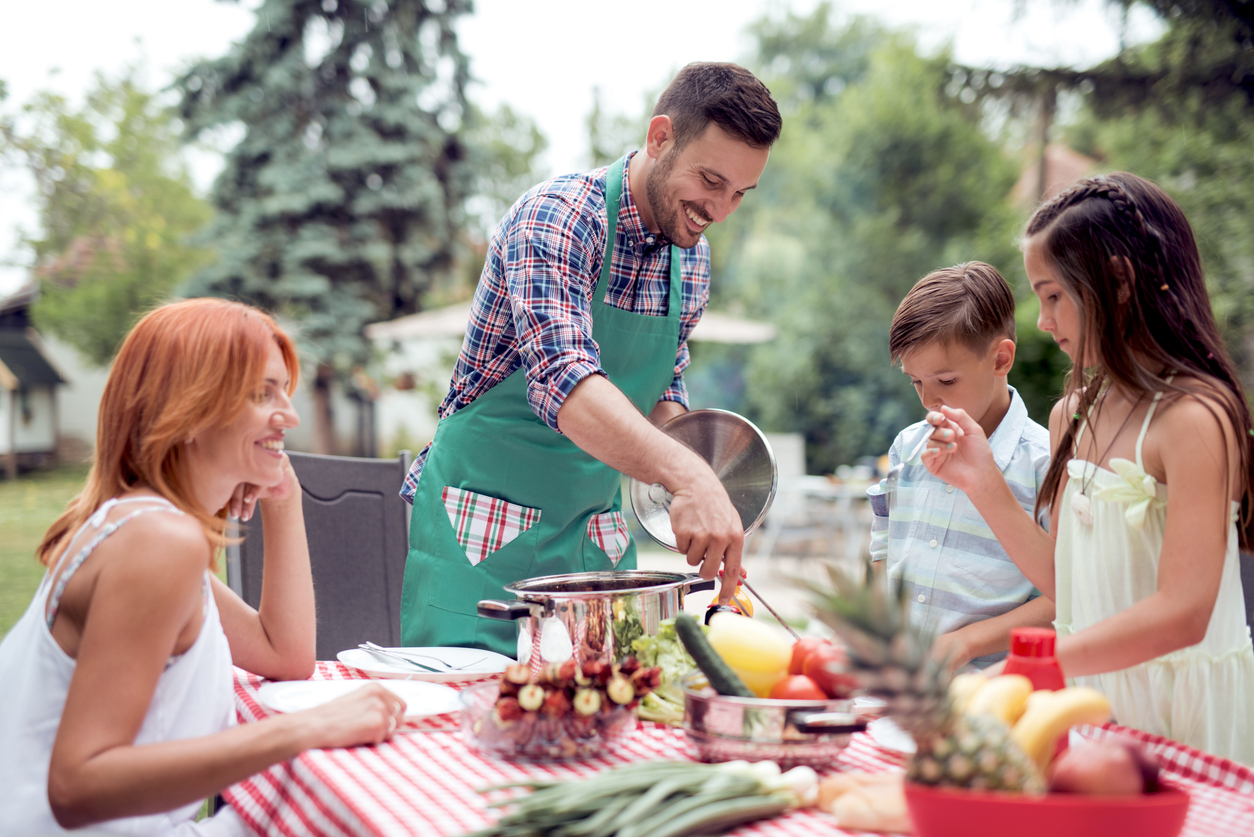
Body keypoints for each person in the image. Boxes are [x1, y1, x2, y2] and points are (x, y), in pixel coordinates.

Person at [399, 62, 783, 655]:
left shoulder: (692, 260)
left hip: (593, 545)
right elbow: (566, 384)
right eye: (711, 180)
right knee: (472, 707)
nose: (721, 209)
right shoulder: (557, 218)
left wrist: (706, 489)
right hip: (484, 538)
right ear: (660, 137)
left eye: (739, 193)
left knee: (610, 705)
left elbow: (662, 393)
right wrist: (687, 476)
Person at [0, 299, 407, 835]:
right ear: (189, 411)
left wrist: (283, 498)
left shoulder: (142, 525)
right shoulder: (157, 541)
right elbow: (78, 787)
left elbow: (285, 655)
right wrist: (307, 728)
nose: (290, 415)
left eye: (285, 390)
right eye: (262, 393)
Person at [922, 173, 1254, 763]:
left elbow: (1185, 613)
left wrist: (1028, 666)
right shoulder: (1072, 415)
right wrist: (979, 478)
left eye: (1053, 296)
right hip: (1091, 700)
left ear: (1120, 282)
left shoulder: (1195, 419)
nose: (1043, 321)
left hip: (1183, 710)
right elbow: (1067, 582)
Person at [867, 263, 1055, 670]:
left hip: (995, 688)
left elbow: (1067, 598)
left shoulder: (1047, 463)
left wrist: (965, 643)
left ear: (1000, 359)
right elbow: (883, 550)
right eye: (916, 382)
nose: (928, 401)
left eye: (946, 381)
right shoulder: (907, 447)